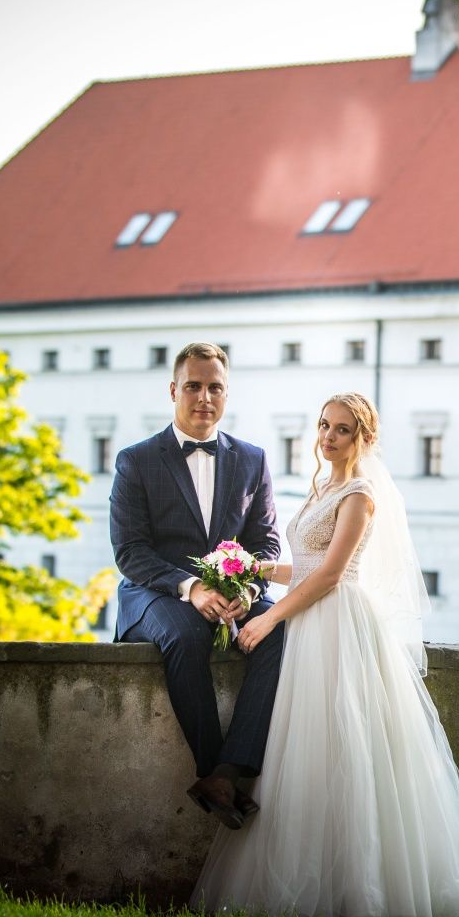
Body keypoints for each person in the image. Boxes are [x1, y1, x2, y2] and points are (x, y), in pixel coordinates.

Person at [190, 392, 459, 917]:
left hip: (337, 621)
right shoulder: (324, 486)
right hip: (310, 620)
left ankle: (362, 892)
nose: (328, 436)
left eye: (342, 429)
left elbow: (329, 574)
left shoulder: (361, 495)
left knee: (349, 752)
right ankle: (313, 888)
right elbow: (303, 566)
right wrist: (253, 566)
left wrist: (269, 619)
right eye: (324, 425)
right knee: (306, 751)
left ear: (364, 438)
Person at [108, 342, 285, 831]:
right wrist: (191, 587)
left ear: (226, 394)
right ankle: (213, 768)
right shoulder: (136, 460)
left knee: (280, 631)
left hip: (235, 590)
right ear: (173, 390)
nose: (204, 397)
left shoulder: (251, 459)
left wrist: (248, 592)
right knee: (187, 634)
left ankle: (229, 771)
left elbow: (266, 542)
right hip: (155, 593)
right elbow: (130, 552)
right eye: (193, 386)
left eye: (215, 388)